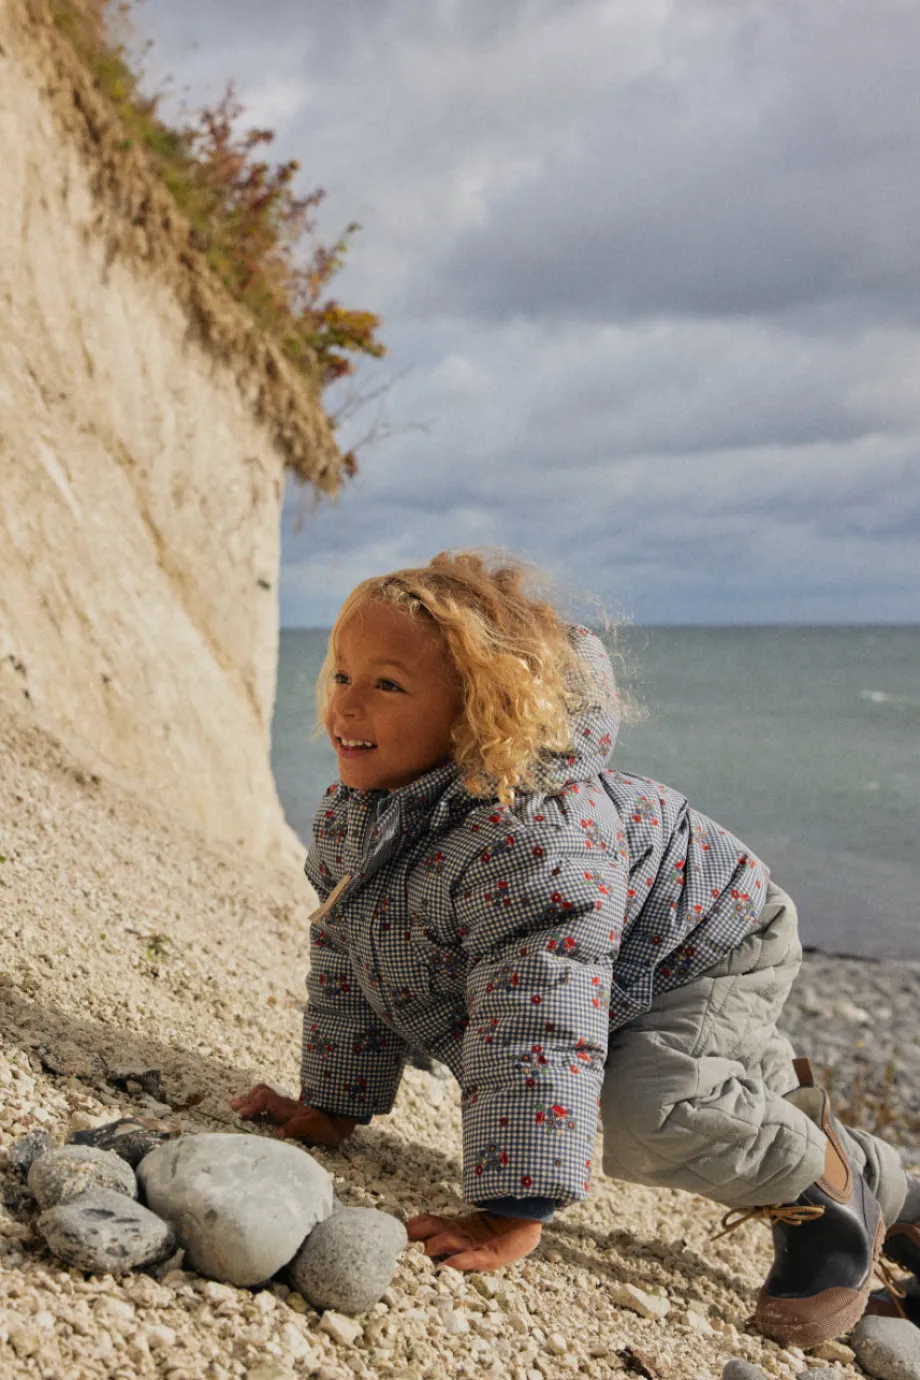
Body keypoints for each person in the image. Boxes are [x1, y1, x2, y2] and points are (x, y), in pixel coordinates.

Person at [231, 551, 920, 1349]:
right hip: (625, 945)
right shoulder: (358, 817)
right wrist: (333, 1103)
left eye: (387, 685)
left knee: (652, 1107)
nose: (345, 704)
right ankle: (902, 1197)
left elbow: (537, 1020)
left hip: (707, 937)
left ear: (478, 712)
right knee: (728, 1099)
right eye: (342, 675)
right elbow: (350, 960)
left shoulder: (532, 841)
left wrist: (512, 1209)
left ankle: (824, 1196)